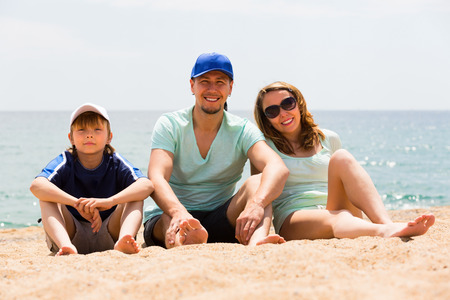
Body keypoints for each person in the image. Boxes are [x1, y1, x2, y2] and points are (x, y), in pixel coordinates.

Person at [253, 81, 435, 240]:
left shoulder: (329, 138)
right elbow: (260, 193)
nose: (283, 113)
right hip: (295, 217)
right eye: (272, 111)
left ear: (299, 104)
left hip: (338, 209)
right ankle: (384, 231)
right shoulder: (263, 148)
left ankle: (386, 223)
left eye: (288, 103)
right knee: (337, 216)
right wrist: (261, 233)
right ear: (266, 120)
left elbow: (345, 180)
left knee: (342, 157)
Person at [143, 53, 289, 248]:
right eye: (204, 81)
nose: (212, 89)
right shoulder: (170, 124)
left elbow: (277, 167)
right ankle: (183, 242)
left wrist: (256, 204)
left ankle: (258, 243)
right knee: (174, 222)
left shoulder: (242, 129)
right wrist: (179, 212)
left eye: (220, 82)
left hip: (220, 218)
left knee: (258, 182)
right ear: (192, 85)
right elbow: (156, 176)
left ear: (230, 88)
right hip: (169, 215)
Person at [30, 103, 154, 255]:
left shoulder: (115, 161)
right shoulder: (65, 161)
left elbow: (146, 185)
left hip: (110, 234)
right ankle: (66, 247)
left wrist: (109, 202)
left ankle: (125, 239)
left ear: (109, 137)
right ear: (71, 138)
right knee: (47, 197)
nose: (89, 135)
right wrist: (76, 204)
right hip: (71, 234)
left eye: (97, 129)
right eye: (82, 130)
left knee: (135, 196)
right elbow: (37, 185)